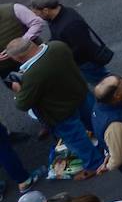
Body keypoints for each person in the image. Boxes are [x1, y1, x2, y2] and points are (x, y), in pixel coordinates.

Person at [5, 39, 102, 178]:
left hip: (60, 113)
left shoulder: (32, 76)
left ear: (18, 58)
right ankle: (111, 144)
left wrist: (18, 89)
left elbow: (23, 104)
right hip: (80, 94)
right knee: (96, 122)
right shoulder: (58, 46)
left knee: (77, 139)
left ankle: (95, 164)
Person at [28, 0, 113, 86]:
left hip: (85, 62)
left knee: (105, 85)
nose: (36, 16)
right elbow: (57, 36)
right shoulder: (59, 16)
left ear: (45, 10)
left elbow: (81, 48)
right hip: (81, 61)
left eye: (36, 13)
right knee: (104, 82)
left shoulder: (70, 25)